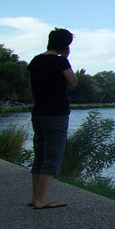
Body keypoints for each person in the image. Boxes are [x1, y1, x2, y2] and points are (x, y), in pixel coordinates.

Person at [27, 27, 78, 209]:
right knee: (53, 155)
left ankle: (35, 197)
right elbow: (73, 82)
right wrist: (65, 59)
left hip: (38, 112)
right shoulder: (60, 62)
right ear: (66, 46)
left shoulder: (35, 61)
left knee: (39, 155)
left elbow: (32, 89)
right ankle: (42, 199)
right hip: (56, 113)